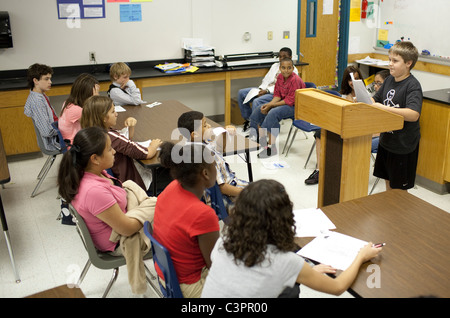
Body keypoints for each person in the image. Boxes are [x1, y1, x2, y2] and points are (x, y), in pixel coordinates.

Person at [201, 179, 382, 298]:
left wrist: (302, 273)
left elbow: (248, 279)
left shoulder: (222, 243)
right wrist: (361, 256)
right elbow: (337, 287)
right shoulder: (285, 261)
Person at [57, 126, 142, 254]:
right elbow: (127, 229)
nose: (114, 152)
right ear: (95, 159)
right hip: (119, 242)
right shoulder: (93, 191)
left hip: (119, 224)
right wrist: (147, 217)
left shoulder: (90, 172)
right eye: (109, 149)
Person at [153, 141, 220, 298]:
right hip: (188, 285)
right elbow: (215, 265)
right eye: (214, 164)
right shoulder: (203, 214)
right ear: (205, 173)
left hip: (166, 275)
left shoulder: (172, 187)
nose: (216, 168)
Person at [80, 95, 162, 191]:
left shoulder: (93, 132)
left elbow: (125, 143)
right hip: (133, 184)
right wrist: (153, 145)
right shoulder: (109, 137)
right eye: (113, 111)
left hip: (121, 179)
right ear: (103, 118)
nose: (116, 114)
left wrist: (130, 126)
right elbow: (145, 154)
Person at [371, 41, 422, 191]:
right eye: (389, 60)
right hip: (386, 141)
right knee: (387, 182)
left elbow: (413, 114)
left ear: (408, 63)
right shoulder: (388, 80)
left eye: (395, 61)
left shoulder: (413, 85)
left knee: (399, 190)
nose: (390, 64)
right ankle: (389, 213)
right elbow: (376, 98)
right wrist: (367, 101)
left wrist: (384, 109)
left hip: (403, 146)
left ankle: (397, 214)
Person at [177, 111, 248, 212]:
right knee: (267, 197)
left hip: (232, 185)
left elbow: (220, 149)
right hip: (228, 196)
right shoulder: (203, 156)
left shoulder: (200, 143)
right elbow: (222, 188)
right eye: (205, 125)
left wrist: (224, 134)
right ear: (194, 134)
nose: (209, 126)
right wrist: (247, 193)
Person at [305, 65, 364, 185]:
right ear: (346, 81)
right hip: (344, 124)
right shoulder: (344, 94)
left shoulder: (365, 93)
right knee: (319, 133)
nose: (353, 82)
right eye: (350, 80)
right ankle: (319, 170)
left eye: (356, 79)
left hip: (358, 127)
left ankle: (330, 170)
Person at [249, 57, 306, 158]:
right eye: (283, 68)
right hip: (283, 102)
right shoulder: (279, 77)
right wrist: (268, 105)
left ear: (293, 69)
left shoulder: (295, 80)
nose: (286, 70)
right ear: (280, 68)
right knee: (259, 109)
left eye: (289, 68)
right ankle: (260, 140)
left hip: (296, 106)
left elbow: (289, 101)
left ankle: (272, 148)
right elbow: (277, 95)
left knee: (273, 113)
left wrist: (270, 105)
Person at [237, 47, 299, 132]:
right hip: (268, 91)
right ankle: (251, 122)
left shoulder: (294, 73)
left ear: (290, 58)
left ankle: (259, 128)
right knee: (242, 93)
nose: (281, 59)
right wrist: (261, 89)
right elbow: (267, 80)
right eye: (280, 56)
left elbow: (284, 93)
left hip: (284, 100)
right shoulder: (275, 67)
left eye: (284, 57)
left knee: (258, 102)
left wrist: (268, 93)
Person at [24, 63, 60, 151]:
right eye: (46, 79)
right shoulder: (37, 102)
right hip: (53, 141)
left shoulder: (41, 96)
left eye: (50, 79)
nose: (50, 82)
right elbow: (47, 131)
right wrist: (65, 126)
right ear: (35, 81)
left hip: (57, 133)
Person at [58, 73, 100, 144]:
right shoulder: (76, 110)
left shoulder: (68, 103)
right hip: (74, 145)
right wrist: (94, 99)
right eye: (96, 92)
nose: (98, 94)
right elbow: (96, 124)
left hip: (72, 140)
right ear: (88, 93)